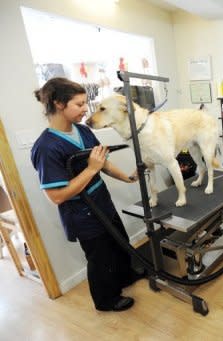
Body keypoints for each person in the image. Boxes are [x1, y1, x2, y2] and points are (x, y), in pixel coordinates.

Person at [31, 77, 143, 312]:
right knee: (100, 258)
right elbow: (57, 196)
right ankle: (106, 300)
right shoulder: (46, 148)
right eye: (79, 104)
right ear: (59, 104)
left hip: (102, 201)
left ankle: (125, 277)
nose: (86, 110)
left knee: (118, 242)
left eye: (86, 103)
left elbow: (102, 163)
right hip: (82, 212)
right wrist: (91, 168)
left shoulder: (82, 130)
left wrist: (128, 178)